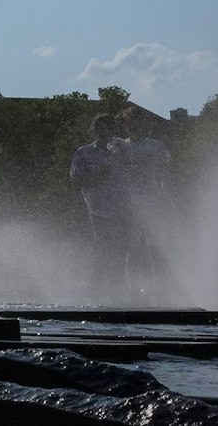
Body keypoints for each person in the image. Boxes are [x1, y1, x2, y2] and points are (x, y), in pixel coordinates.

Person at [114, 107, 173, 297]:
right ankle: (132, 287)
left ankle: (159, 286)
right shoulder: (118, 146)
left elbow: (165, 173)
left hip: (151, 202)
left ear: (143, 124)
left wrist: (164, 195)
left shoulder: (155, 146)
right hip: (126, 203)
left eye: (136, 124)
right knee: (130, 247)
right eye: (129, 124)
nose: (133, 128)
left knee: (153, 245)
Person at [70, 114, 131, 297]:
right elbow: (75, 179)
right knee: (103, 250)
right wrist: (97, 176)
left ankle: (118, 292)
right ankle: (94, 291)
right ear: (95, 131)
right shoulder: (84, 152)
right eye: (102, 129)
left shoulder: (121, 151)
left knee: (121, 251)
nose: (107, 132)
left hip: (123, 208)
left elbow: (133, 174)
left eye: (110, 128)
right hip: (98, 210)